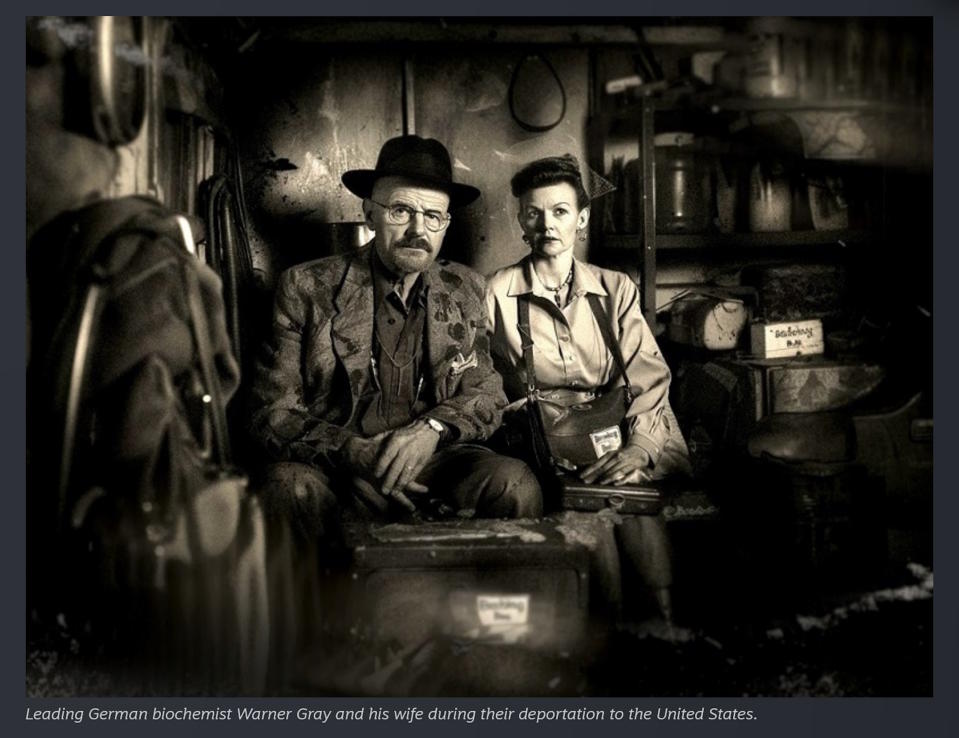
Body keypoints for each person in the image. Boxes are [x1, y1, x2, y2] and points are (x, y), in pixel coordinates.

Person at [250, 135, 542, 546]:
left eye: (433, 216)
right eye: (401, 210)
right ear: (370, 213)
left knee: (514, 484)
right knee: (286, 488)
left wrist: (432, 429)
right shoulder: (306, 287)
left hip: (437, 462)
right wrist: (354, 452)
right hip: (340, 467)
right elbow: (271, 413)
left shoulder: (466, 288)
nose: (417, 230)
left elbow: (488, 392)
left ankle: (495, 610)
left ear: (446, 224)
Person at [485, 153, 691, 622]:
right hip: (544, 441)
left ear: (581, 219)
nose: (547, 224)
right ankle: (611, 630)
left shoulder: (616, 288)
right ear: (520, 219)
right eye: (534, 212)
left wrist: (639, 448)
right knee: (583, 504)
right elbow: (483, 381)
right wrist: (522, 419)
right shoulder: (495, 292)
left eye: (560, 211)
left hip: (618, 428)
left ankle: (665, 624)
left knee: (629, 487)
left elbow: (646, 376)